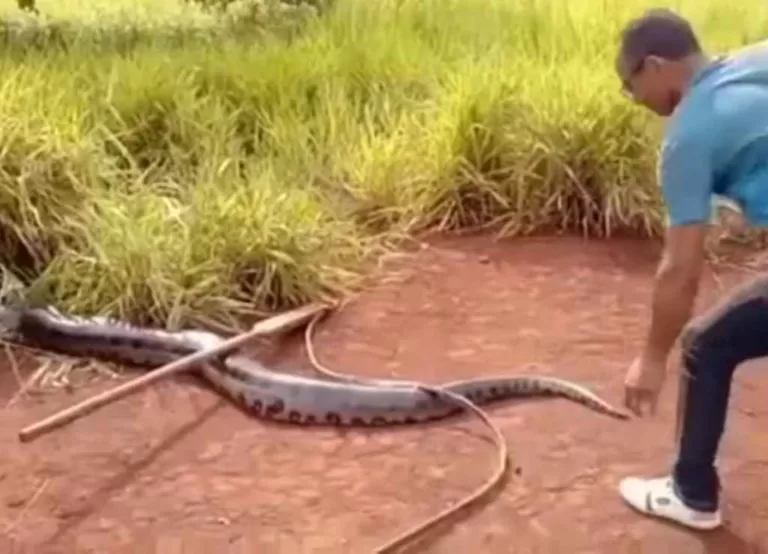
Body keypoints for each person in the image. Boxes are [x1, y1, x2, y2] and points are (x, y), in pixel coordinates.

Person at [615, 8, 768, 530]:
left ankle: (692, 494)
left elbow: (681, 270)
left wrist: (652, 359)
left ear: (654, 66)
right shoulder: (757, 58)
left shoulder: (686, 140)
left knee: (706, 345)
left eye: (628, 84)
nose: (632, 100)